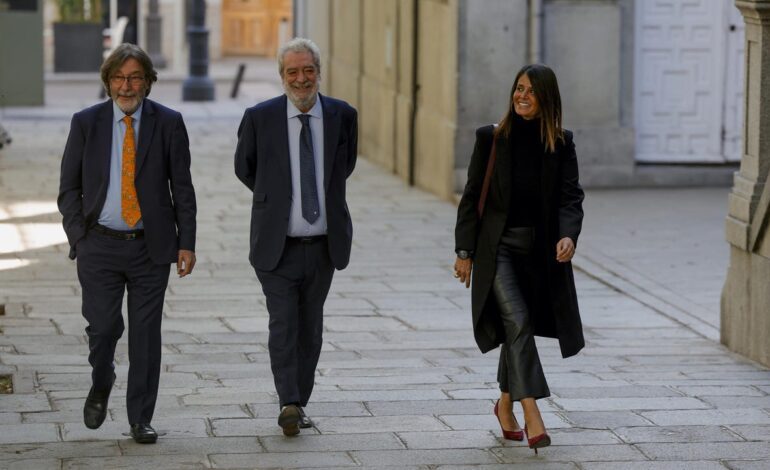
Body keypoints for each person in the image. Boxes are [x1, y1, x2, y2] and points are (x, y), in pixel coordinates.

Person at [58, 43, 197, 444]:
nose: (126, 86)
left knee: (146, 336)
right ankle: (102, 380)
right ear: (108, 81)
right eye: (119, 77)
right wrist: (78, 236)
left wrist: (186, 243)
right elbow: (68, 189)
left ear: (148, 82)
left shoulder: (169, 123)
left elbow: (182, 188)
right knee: (103, 329)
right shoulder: (86, 123)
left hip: (150, 247)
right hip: (99, 246)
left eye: (135, 77)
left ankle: (140, 418)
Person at [453, 64, 584, 453]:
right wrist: (464, 251)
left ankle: (504, 405)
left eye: (531, 91)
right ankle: (533, 412)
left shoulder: (561, 143)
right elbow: (471, 196)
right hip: (498, 250)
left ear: (547, 98)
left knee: (516, 329)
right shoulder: (492, 138)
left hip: (539, 255)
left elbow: (570, 196)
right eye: (519, 88)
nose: (522, 96)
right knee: (518, 321)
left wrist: (568, 234)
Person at [234, 37, 358, 437]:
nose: (301, 79)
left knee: (311, 328)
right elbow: (245, 168)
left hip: (323, 245)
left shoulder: (342, 115)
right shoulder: (260, 117)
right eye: (293, 72)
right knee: (283, 323)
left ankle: (299, 401)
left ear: (319, 72)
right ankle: (288, 401)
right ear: (282, 76)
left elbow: (344, 166)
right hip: (277, 245)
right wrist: (276, 200)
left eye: (308, 71)